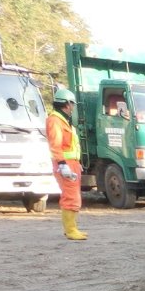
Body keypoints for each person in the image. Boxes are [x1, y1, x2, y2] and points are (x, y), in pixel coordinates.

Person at [47, 86, 86, 242]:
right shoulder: (55, 120)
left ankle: (72, 228)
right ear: (68, 103)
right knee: (71, 197)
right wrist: (63, 165)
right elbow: (55, 145)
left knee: (73, 196)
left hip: (71, 163)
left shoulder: (63, 120)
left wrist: (76, 162)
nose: (73, 108)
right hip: (65, 164)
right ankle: (70, 230)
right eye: (73, 104)